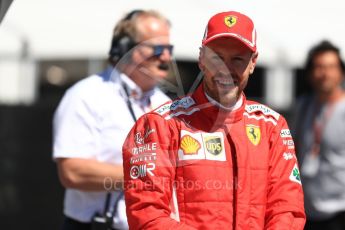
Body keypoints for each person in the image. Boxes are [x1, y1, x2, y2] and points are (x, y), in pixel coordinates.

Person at [122, 10, 306, 229]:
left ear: (253, 63)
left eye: (237, 59)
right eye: (216, 57)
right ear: (201, 59)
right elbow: (146, 214)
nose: (225, 70)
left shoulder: (271, 126)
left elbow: (287, 209)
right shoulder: (160, 125)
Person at [52, 9, 173, 230]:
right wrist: (147, 176)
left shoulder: (166, 105)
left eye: (168, 49)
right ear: (125, 48)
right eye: (157, 48)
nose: (166, 57)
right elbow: (72, 172)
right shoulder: (85, 95)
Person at [293, 40, 345, 230]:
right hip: (308, 211)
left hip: (339, 211)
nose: (325, 74)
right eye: (319, 67)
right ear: (310, 73)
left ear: (341, 72)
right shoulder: (303, 106)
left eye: (331, 67)